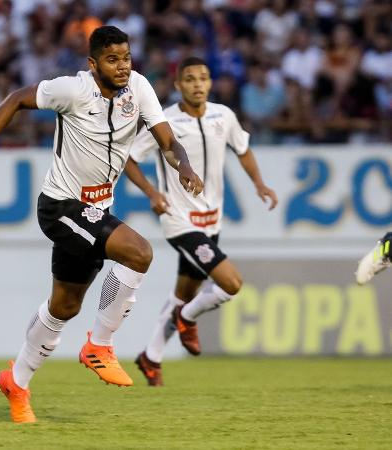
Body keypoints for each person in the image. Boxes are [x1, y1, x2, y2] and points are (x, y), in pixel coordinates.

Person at [0, 26, 203, 423]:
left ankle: (15, 382)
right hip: (61, 206)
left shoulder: (138, 88)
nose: (122, 67)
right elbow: (19, 98)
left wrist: (184, 164)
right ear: (93, 63)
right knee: (139, 252)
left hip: (95, 211)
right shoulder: (72, 89)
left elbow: (167, 140)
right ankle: (100, 346)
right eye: (112, 59)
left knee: (64, 307)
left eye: (126, 58)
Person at [125, 57, 278, 387]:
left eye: (203, 78)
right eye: (190, 79)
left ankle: (151, 357)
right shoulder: (163, 121)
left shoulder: (224, 116)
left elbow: (243, 149)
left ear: (210, 83)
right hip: (180, 222)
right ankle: (187, 318)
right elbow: (130, 160)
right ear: (178, 85)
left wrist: (259, 183)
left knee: (183, 293)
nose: (197, 84)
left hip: (212, 221)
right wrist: (152, 193)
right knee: (231, 284)